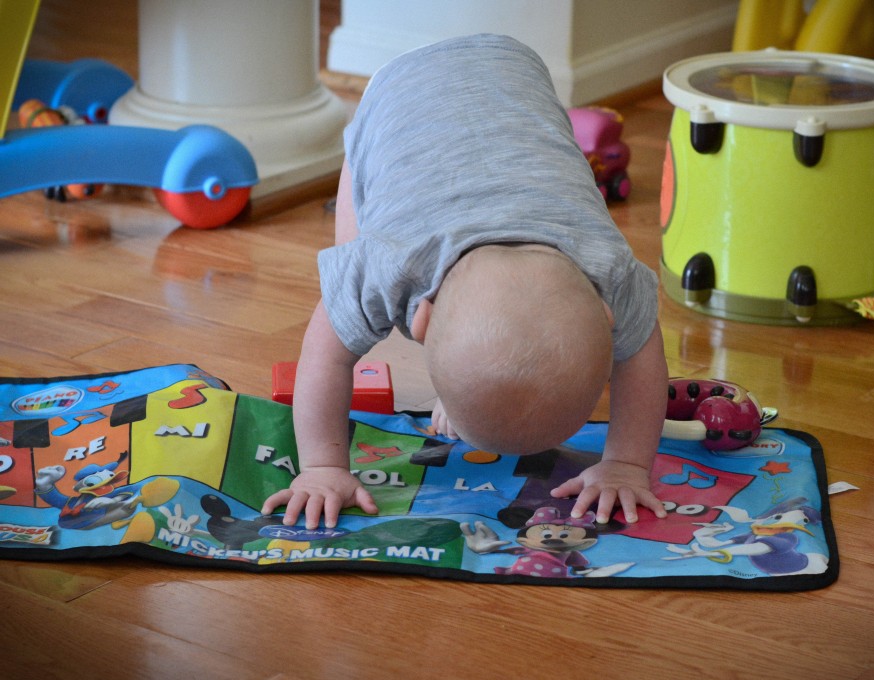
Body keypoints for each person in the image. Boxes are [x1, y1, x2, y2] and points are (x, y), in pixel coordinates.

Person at [262, 34, 668, 530]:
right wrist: (323, 468)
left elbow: (641, 357)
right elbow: (325, 355)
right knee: (352, 242)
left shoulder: (610, 266)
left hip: (518, 76)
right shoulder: (388, 262)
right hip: (396, 100)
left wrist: (626, 464)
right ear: (420, 319)